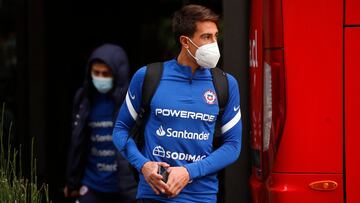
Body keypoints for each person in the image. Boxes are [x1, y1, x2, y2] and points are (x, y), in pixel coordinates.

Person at [113, 4, 242, 203]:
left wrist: (188, 172)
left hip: (202, 197)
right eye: (206, 37)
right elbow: (120, 130)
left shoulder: (225, 83)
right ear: (185, 41)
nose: (214, 43)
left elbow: (233, 145)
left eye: (215, 36)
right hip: (153, 195)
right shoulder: (148, 76)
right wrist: (144, 165)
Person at [64, 43, 137, 203]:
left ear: (118, 74)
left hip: (125, 188)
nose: (100, 78)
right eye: (96, 72)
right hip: (92, 186)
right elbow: (77, 143)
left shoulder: (131, 102)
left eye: (106, 73)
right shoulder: (84, 99)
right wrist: (72, 181)